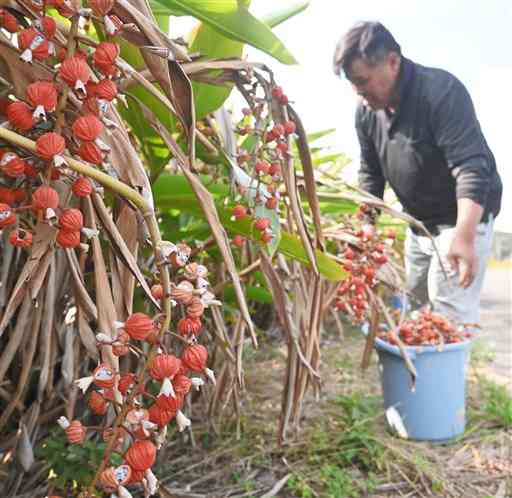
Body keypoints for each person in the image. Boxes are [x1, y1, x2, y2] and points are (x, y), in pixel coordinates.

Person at [333, 21, 502, 324]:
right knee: (414, 311)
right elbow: (370, 173)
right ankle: (416, 369)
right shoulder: (366, 112)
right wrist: (367, 226)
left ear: (393, 62)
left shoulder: (440, 92)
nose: (359, 92)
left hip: (459, 221)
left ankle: (445, 369)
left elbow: (471, 167)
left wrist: (464, 235)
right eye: (353, 84)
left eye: (363, 80)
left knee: (448, 320)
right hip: (418, 225)